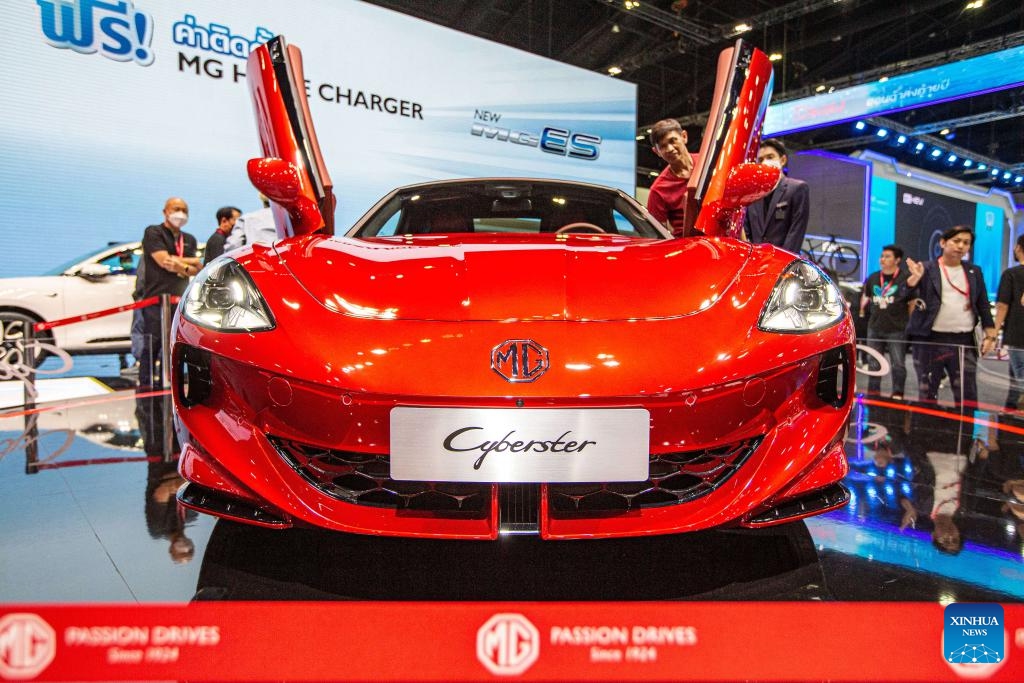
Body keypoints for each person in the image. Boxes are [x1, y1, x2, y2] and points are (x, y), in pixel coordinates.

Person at [906, 225, 996, 406]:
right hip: (929, 340)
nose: (961, 246)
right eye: (956, 241)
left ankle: (967, 433)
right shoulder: (925, 268)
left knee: (967, 394)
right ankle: (927, 432)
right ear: (942, 242)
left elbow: (983, 304)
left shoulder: (974, 271)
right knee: (927, 393)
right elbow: (903, 296)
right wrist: (913, 281)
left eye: (966, 243)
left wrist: (990, 335)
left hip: (963, 341)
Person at [138, 197, 200, 388]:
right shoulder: (153, 232)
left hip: (179, 301)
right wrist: (189, 265)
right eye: (176, 209)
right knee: (153, 344)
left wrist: (179, 264)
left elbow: (199, 266)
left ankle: (171, 384)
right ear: (165, 211)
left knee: (175, 345)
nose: (180, 213)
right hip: (156, 300)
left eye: (184, 210)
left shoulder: (189, 239)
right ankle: (146, 385)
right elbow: (163, 261)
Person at [859, 245, 912, 399]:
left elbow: (912, 303)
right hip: (875, 327)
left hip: (897, 328)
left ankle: (897, 393)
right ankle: (873, 393)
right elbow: (867, 297)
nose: (883, 259)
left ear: (897, 260)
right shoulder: (874, 277)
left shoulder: (905, 278)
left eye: (887, 256)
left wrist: (908, 323)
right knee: (874, 363)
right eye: (882, 256)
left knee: (898, 364)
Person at [742, 138, 809, 254]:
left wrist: (782, 266)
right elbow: (747, 234)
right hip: (756, 263)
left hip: (781, 263)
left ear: (782, 160)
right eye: (761, 159)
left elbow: (795, 234)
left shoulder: (797, 188)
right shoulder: (753, 195)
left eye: (770, 157)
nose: (765, 162)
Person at [645, 119, 695, 233]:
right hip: (688, 247)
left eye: (673, 141)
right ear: (656, 152)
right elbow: (657, 235)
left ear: (684, 136)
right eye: (663, 146)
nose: (670, 149)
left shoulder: (708, 164)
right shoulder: (658, 190)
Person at [995, 235, 1024, 411]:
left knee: (1020, 377)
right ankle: (1009, 419)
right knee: (1015, 379)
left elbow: (1002, 306)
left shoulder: (1011, 274)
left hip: (1017, 334)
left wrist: (993, 332)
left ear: (1018, 248)